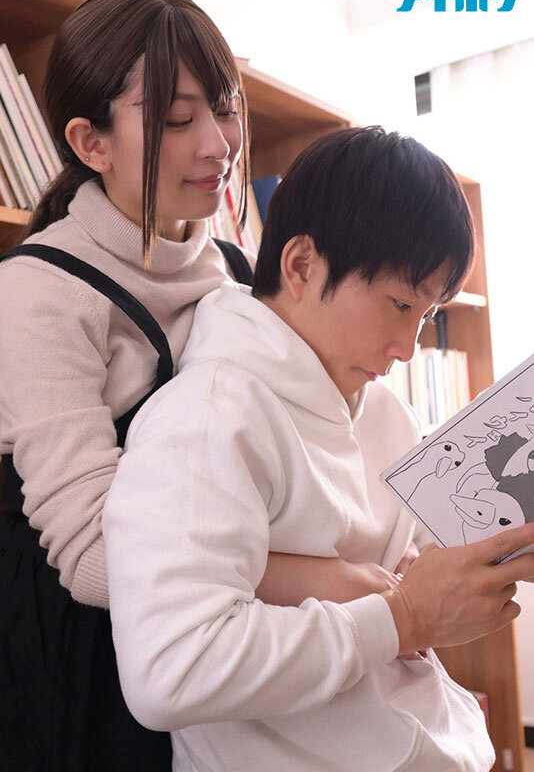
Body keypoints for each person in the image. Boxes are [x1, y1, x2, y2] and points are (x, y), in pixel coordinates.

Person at [0, 0, 375, 771]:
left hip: (233, 646)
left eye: (226, 107)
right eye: (177, 120)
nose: (218, 144)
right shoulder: (38, 294)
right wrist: (336, 579)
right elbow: (98, 563)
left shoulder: (240, 272)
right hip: (89, 679)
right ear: (91, 143)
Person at [103, 126, 534, 772]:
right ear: (301, 265)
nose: (408, 348)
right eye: (399, 304)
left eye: (426, 316)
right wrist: (403, 616)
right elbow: (172, 669)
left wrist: (444, 577)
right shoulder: (208, 419)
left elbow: (401, 570)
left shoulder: (386, 413)